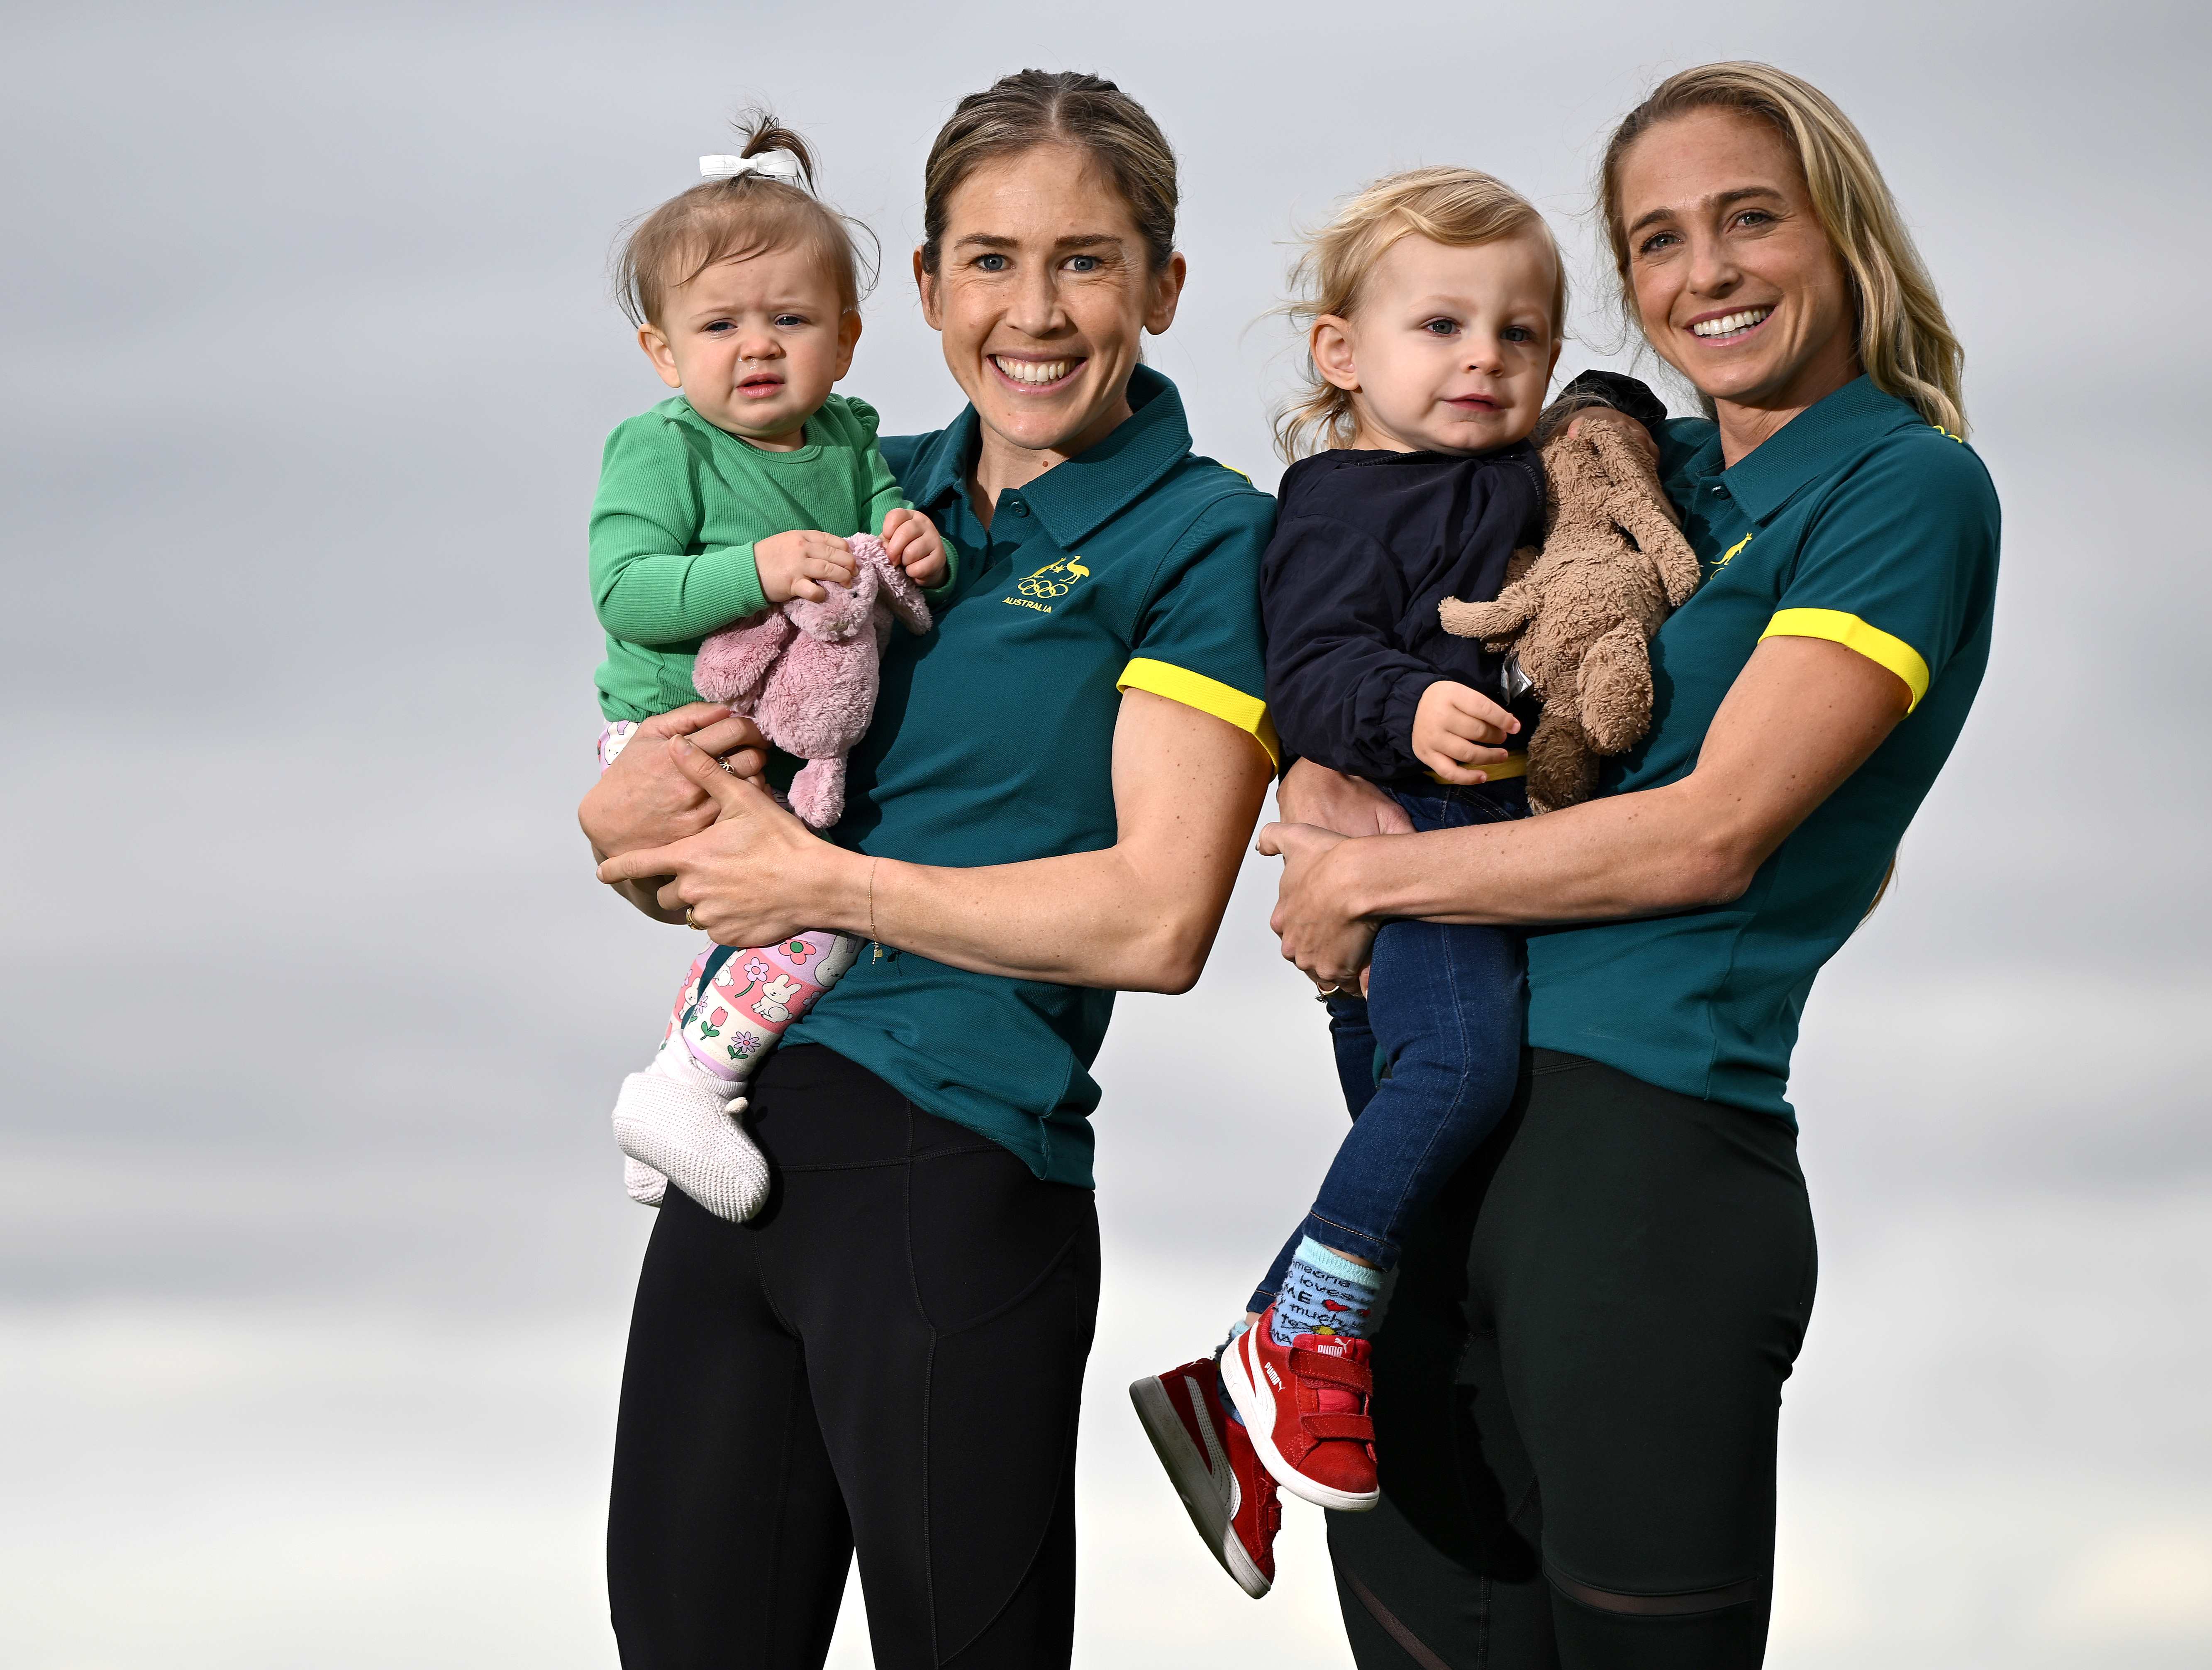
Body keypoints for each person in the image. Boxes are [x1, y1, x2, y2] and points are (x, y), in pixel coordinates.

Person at [1258, 63, 2001, 1668]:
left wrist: (1369, 883)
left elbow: (1716, 829)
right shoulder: (1625, 478)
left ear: (1842, 228)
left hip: (1641, 1170)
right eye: (1657, 240)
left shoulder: (1901, 488)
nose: (1705, 273)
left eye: (1750, 219)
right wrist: (1330, 761)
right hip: (1430, 1169)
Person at [577, 70, 1276, 1670]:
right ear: (923, 288)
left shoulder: (1206, 537)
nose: (1033, 312)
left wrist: (823, 890)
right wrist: (626, 824)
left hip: (957, 1170)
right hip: (737, 1146)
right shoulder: (848, 486)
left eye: (1086, 262)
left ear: (1163, 286)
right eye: (990, 260)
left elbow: (1158, 920)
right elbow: (681, 800)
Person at [1129, 167, 1663, 1592]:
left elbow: (1615, 406)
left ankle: (1230, 1398)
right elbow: (1305, 671)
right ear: (1340, 354)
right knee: (1463, 1076)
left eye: (1520, 334)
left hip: (1455, 846)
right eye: (1439, 327)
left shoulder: (1519, 466)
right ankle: (1294, 1336)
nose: (1482, 360)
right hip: (1413, 837)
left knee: (1435, 1161)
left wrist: (1602, 414)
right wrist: (1399, 712)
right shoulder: (1339, 503)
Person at [585, 112, 951, 1224]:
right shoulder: (664, 448)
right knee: (817, 915)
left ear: (842, 339)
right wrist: (755, 566)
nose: (757, 347)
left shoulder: (847, 439)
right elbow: (626, 588)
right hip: (672, 733)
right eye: (720, 326)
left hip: (783, 743)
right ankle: (692, 1084)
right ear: (663, 351)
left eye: (789, 320)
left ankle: (671, 1095)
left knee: (768, 907)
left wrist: (909, 540)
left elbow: (885, 525)